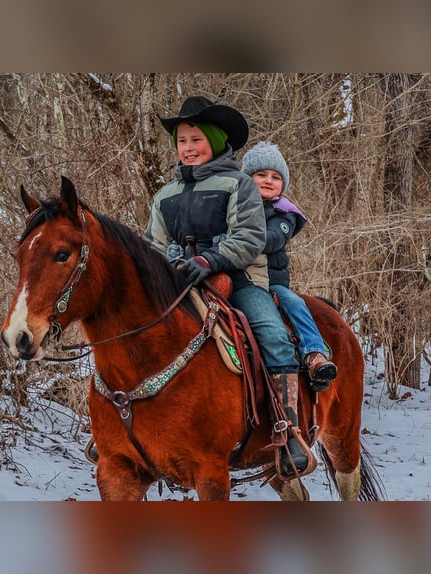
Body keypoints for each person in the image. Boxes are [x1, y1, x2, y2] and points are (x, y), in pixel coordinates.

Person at [143, 96, 311, 474]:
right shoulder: (164, 196)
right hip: (178, 282)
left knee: (273, 333)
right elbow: (152, 245)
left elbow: (250, 236)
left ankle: (288, 430)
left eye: (196, 140)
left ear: (217, 142)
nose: (188, 148)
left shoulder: (238, 184)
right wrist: (165, 265)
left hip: (237, 279)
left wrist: (210, 259)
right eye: (182, 141)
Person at [241, 141, 337, 391]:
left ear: (283, 184)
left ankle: (314, 353)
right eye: (261, 175)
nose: (268, 180)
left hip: (272, 282)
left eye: (275, 177)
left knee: (293, 302)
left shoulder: (284, 213)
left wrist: (241, 238)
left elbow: (273, 239)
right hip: (238, 278)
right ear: (247, 179)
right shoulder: (235, 207)